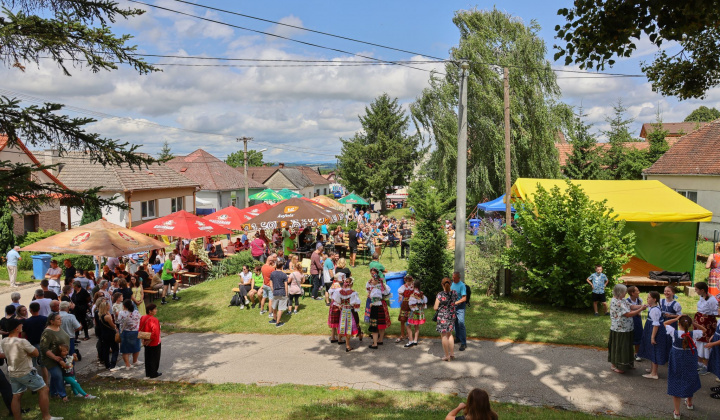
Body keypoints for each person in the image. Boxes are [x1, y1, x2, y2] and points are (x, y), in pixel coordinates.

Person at [1, 318, 64, 420]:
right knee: (44, 389)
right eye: (21, 325)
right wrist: (27, 353)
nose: (22, 326)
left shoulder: (4, 341)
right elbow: (36, 353)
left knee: (16, 396)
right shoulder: (22, 341)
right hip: (26, 372)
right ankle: (46, 416)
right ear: (17, 328)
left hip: (13, 372)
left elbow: (6, 354)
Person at [664, 315, 703, 419]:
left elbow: (665, 324)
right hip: (690, 359)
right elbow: (704, 329)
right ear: (689, 325)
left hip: (677, 359)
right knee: (689, 378)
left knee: (676, 380)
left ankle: (677, 412)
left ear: (679, 324)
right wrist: (694, 324)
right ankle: (689, 403)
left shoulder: (674, 332)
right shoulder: (694, 333)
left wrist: (676, 319)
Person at [608, 284, 647, 374]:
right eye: (624, 292)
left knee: (625, 347)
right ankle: (621, 367)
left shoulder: (622, 300)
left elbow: (631, 306)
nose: (626, 293)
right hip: (620, 329)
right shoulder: (617, 302)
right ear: (619, 292)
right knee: (621, 347)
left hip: (627, 328)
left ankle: (625, 364)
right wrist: (641, 309)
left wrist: (643, 306)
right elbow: (628, 314)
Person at [638, 291, 670, 380]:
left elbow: (656, 325)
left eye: (649, 297)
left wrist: (652, 337)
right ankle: (652, 369)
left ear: (654, 299)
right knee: (652, 349)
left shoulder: (655, 310)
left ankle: (654, 373)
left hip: (655, 332)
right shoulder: (653, 307)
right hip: (651, 329)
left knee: (654, 349)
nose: (647, 299)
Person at [39, 313, 70, 401]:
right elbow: (44, 348)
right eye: (58, 319)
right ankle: (63, 395)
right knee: (58, 375)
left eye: (60, 318)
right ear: (51, 321)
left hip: (61, 357)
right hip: (51, 358)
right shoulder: (47, 332)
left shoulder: (59, 328)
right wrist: (55, 357)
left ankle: (53, 392)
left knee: (55, 375)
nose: (61, 320)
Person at [693, 281, 718, 375]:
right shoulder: (702, 297)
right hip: (699, 322)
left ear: (702, 290)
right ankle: (699, 363)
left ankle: (706, 365)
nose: (695, 291)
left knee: (706, 343)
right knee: (699, 342)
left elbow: (715, 313)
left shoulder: (712, 300)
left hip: (707, 324)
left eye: (696, 290)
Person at [23, 303, 49, 385]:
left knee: (32, 366)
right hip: (43, 344)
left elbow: (23, 336)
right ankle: (46, 383)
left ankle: (35, 384)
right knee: (43, 365)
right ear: (39, 308)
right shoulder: (45, 319)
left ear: (30, 310)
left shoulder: (26, 322)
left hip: (32, 345)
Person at [334, 277, 360, 352]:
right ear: (351, 284)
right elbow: (356, 303)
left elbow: (337, 301)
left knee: (343, 326)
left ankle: (342, 341)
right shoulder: (353, 293)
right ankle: (348, 345)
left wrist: (341, 305)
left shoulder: (340, 292)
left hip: (343, 311)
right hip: (349, 311)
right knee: (348, 327)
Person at [366, 272, 390, 349]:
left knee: (374, 325)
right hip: (382, 306)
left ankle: (375, 343)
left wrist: (372, 304)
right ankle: (380, 339)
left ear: (376, 280)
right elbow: (387, 293)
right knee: (381, 324)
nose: (371, 281)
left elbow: (375, 298)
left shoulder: (376, 289)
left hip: (376, 307)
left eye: (373, 280)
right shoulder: (382, 286)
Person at [436, 278, 458, 361]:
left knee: (444, 335)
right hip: (451, 315)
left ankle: (447, 356)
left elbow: (435, 307)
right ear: (451, 284)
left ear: (442, 284)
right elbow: (454, 302)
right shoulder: (454, 293)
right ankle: (452, 354)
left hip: (442, 316)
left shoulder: (440, 294)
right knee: (450, 334)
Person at [95, 300, 119, 371]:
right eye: (108, 306)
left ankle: (107, 364)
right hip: (110, 334)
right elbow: (112, 326)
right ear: (106, 307)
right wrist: (115, 326)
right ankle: (113, 364)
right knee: (115, 349)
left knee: (106, 349)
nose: (109, 306)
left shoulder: (99, 315)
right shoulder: (107, 317)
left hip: (103, 334)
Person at [117, 299, 141, 370]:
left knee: (125, 350)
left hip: (125, 332)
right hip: (135, 331)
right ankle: (135, 361)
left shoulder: (121, 313)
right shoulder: (136, 312)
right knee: (136, 347)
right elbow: (140, 319)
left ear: (123, 305)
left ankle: (127, 365)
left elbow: (118, 321)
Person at [139, 303, 162, 378]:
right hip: (154, 342)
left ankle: (148, 372)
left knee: (148, 357)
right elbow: (155, 332)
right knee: (155, 358)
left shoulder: (143, 317)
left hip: (145, 340)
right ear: (150, 311)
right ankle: (153, 373)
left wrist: (143, 338)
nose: (156, 310)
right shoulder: (154, 320)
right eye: (154, 309)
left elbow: (140, 328)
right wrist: (150, 339)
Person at [405, 279, 427, 348]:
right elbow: (425, 301)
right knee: (416, 326)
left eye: (412, 284)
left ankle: (410, 341)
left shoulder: (414, 294)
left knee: (408, 325)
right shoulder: (421, 293)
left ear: (414, 285)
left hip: (414, 311)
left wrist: (411, 305)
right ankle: (415, 340)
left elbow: (411, 303)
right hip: (420, 311)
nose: (411, 285)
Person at [451, 271, 468, 352]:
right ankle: (458, 338)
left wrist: (455, 303)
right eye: (452, 277)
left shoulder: (462, 285)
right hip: (454, 307)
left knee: (461, 324)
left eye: (454, 277)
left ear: (458, 277)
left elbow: (464, 298)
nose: (453, 278)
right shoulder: (452, 284)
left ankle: (464, 343)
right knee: (455, 323)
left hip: (460, 308)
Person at [626, 286, 644, 360]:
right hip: (629, 320)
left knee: (638, 335)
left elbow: (640, 310)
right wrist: (638, 310)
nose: (639, 292)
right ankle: (629, 353)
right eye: (637, 291)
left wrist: (640, 311)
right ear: (632, 293)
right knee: (629, 336)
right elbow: (628, 311)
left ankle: (637, 353)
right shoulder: (627, 301)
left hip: (637, 320)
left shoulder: (639, 300)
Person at [396, 275, 414, 343]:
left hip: (411, 305)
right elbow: (400, 293)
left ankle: (408, 334)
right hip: (405, 304)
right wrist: (400, 297)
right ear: (405, 280)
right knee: (403, 320)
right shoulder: (403, 287)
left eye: (410, 281)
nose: (409, 282)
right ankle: (402, 334)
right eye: (407, 281)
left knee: (409, 320)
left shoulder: (413, 287)